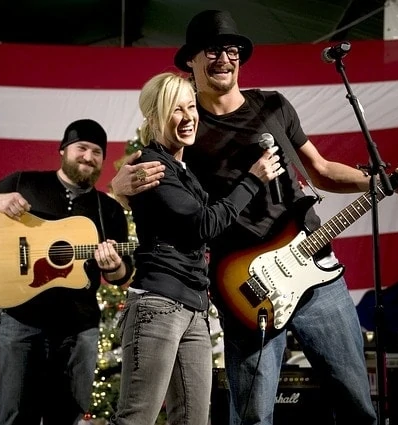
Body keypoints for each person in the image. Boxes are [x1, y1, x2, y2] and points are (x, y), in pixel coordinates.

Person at [111, 10, 398, 425]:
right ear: (191, 61)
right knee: (254, 414)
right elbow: (147, 169)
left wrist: (382, 180)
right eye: (212, 50)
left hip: (315, 272)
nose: (224, 57)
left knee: (356, 403)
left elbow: (322, 170)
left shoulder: (273, 104)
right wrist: (117, 184)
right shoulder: (184, 121)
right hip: (247, 286)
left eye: (232, 49)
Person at [109, 72, 281, 425]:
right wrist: (253, 179)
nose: (188, 117)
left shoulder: (184, 169)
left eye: (191, 107)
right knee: (136, 419)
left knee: (193, 421)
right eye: (176, 110)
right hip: (158, 306)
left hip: (194, 308)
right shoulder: (151, 166)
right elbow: (203, 224)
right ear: (155, 118)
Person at [0, 119, 134, 425]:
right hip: (22, 322)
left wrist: (116, 265)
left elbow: (123, 277)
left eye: (97, 152)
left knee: (66, 417)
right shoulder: (24, 182)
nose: (88, 157)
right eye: (81, 147)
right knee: (14, 416)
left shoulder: (109, 209)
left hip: (79, 330)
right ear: (63, 150)